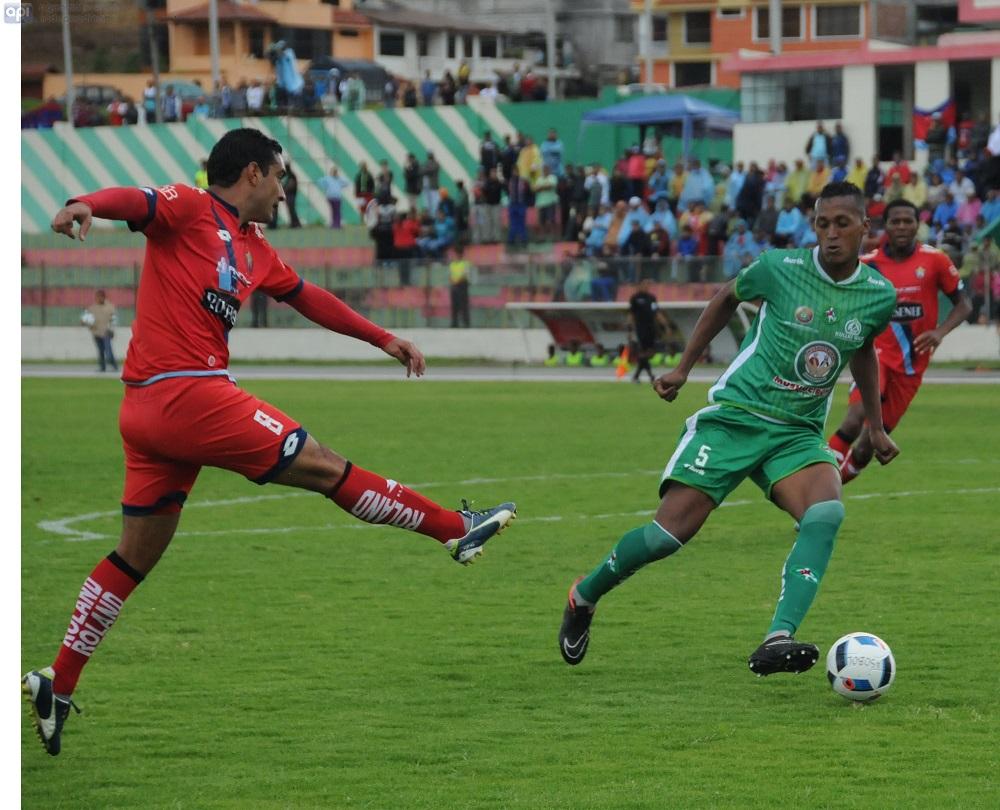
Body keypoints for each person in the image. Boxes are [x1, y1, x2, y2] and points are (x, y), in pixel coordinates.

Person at [25, 128, 517, 757]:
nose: (285, 192)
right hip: (188, 394)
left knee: (132, 558)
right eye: (281, 178)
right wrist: (83, 200)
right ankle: (453, 527)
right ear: (253, 173)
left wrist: (381, 338)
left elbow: (309, 298)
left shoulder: (256, 248)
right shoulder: (191, 205)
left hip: (149, 411)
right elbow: (136, 200)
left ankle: (56, 681)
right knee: (323, 465)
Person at [558, 181, 899, 679]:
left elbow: (863, 350)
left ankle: (776, 638)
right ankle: (583, 596)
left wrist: (876, 424)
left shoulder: (877, 295)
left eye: (842, 224)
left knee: (825, 513)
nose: (830, 234)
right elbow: (724, 299)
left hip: (796, 433)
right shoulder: (779, 268)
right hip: (736, 417)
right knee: (666, 536)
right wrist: (683, 368)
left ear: (865, 229)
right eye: (822, 224)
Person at [828, 199, 972, 484]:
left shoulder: (935, 260)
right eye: (896, 221)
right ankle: (814, 495)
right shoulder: (867, 265)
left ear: (918, 225)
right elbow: (837, 298)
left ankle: (826, 491)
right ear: (886, 226)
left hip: (911, 366)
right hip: (875, 356)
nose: (903, 226)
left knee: (869, 444)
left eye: (909, 221)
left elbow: (964, 304)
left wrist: (940, 332)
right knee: (855, 416)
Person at [627, 279, 666, 384]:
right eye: (644, 285)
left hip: (651, 327)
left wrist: (664, 324)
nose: (647, 287)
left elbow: (656, 312)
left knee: (649, 353)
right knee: (644, 351)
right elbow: (631, 314)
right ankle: (649, 376)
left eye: (648, 285)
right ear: (639, 286)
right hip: (641, 328)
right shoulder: (635, 298)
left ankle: (638, 376)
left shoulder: (651, 298)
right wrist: (630, 329)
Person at [82, 289, 117, 372]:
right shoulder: (92, 308)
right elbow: (86, 319)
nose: (97, 299)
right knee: (100, 351)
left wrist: (111, 329)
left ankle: (114, 365)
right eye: (96, 297)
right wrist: (85, 322)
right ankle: (102, 367)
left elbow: (113, 319)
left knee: (108, 351)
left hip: (106, 332)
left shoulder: (110, 307)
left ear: (103, 297)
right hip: (96, 332)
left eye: (99, 297)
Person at [449, 243, 471, 328]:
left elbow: (464, 275)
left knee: (463, 305)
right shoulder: (452, 264)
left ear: (459, 254)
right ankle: (454, 323)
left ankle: (466, 323)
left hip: (462, 285)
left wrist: (456, 281)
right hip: (454, 285)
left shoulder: (465, 263)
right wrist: (452, 281)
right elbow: (450, 275)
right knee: (454, 305)